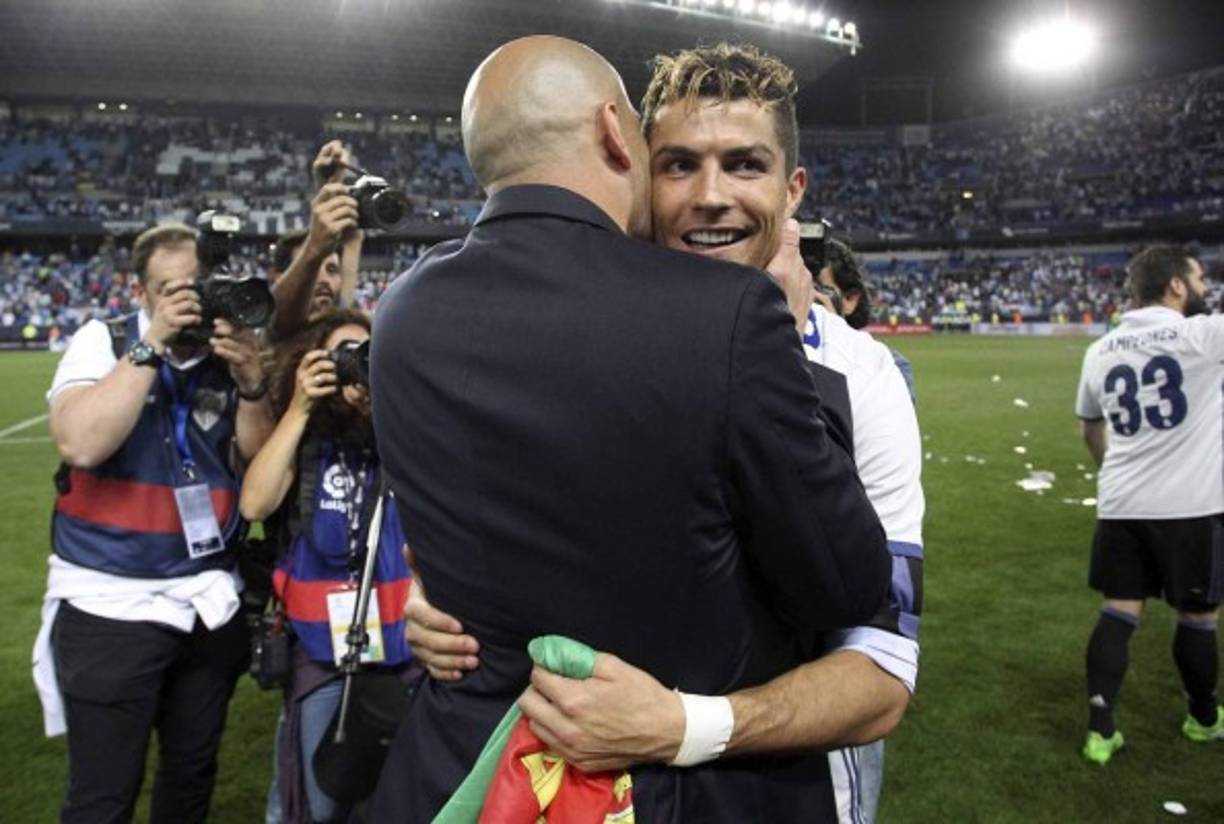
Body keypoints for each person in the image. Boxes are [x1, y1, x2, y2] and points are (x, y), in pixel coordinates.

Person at [368, 34, 889, 822]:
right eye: (675, 162)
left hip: (464, 772)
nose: (706, 194)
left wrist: (442, 596)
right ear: (620, 135)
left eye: (743, 165)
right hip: (673, 793)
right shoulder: (731, 319)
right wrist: (789, 354)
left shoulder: (402, 311)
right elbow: (845, 589)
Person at [32, 222, 275, 823]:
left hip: (207, 601)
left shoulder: (226, 354)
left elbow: (259, 474)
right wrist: (153, 345)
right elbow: (81, 443)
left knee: (191, 779)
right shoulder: (105, 340)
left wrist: (251, 384)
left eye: (196, 287)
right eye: (170, 290)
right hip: (110, 604)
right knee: (104, 793)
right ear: (142, 293)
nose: (187, 301)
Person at [240, 309, 415, 822]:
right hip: (321, 657)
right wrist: (299, 407)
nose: (354, 368)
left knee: (398, 800)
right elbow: (254, 505)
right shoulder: (306, 437)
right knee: (315, 801)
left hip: (403, 653)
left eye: (367, 354)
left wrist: (391, 405)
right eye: (342, 357)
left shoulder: (403, 432)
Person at [1075, 244, 1224, 764]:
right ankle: (1203, 719)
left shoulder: (1100, 351)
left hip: (1121, 503)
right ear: (1177, 285)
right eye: (1201, 278)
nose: (1206, 287)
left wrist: (1112, 471)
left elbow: (1089, 428)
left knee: (1118, 612)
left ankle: (1100, 729)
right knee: (1199, 616)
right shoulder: (1206, 335)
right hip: (1192, 504)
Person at [269, 141, 363, 340]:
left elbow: (352, 242)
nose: (324, 281)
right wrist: (314, 248)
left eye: (331, 270)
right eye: (311, 270)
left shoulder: (336, 336)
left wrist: (331, 187)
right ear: (277, 278)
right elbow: (280, 312)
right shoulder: (270, 344)